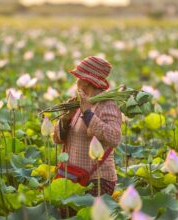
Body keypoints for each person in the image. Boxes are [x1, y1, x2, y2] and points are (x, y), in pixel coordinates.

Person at [52, 56, 122, 217]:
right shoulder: (77, 105)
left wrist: (88, 114)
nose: (76, 82)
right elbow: (56, 139)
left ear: (86, 81)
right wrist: (66, 118)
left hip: (97, 179)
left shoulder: (108, 105)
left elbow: (114, 138)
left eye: (78, 78)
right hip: (72, 176)